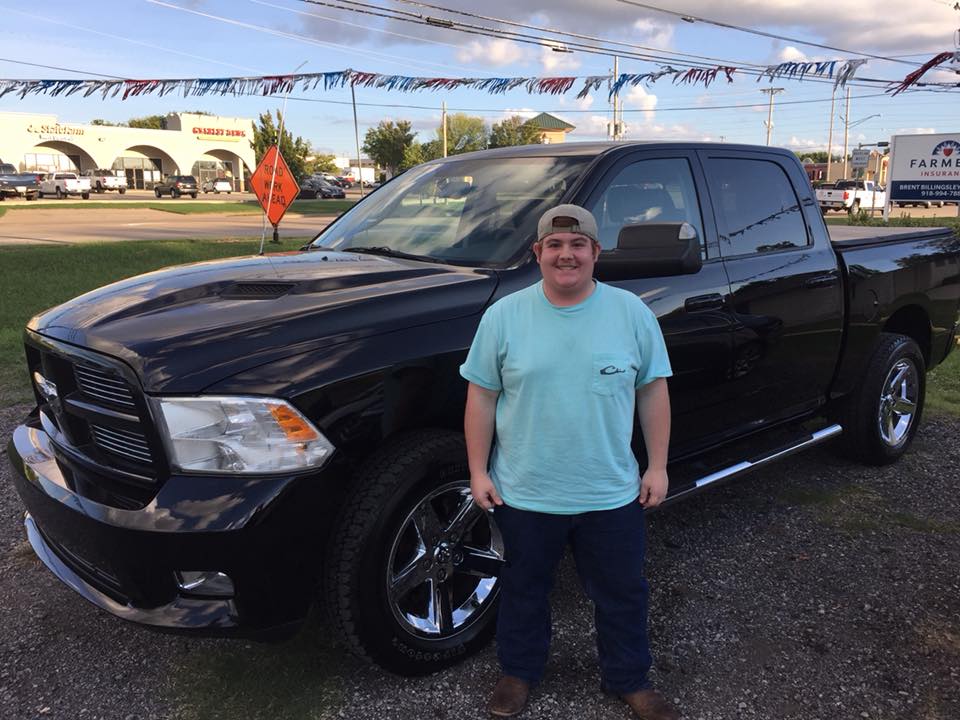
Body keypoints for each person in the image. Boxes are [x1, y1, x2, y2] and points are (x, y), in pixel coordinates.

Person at [460, 204, 679, 720]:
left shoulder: (631, 313)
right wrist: (478, 471)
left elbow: (653, 391)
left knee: (623, 592)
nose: (566, 255)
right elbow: (481, 398)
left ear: (595, 252)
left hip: (610, 493)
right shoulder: (504, 317)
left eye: (578, 244)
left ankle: (629, 679)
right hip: (525, 491)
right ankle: (518, 673)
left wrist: (658, 466)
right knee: (523, 589)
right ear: (538, 252)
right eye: (554, 245)